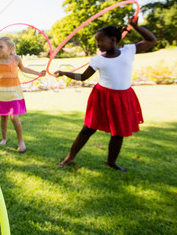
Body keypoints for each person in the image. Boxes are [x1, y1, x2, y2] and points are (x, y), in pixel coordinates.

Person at [55, 17, 156, 171]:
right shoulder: (97, 60)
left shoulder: (128, 51)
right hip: (102, 97)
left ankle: (111, 162)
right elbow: (83, 77)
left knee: (118, 132)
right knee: (88, 129)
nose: (97, 44)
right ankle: (70, 156)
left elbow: (151, 40)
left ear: (113, 39)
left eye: (100, 40)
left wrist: (135, 26)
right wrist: (64, 73)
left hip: (123, 97)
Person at [0, 36, 45, 153]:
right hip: (1, 93)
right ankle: (4, 138)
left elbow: (24, 69)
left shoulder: (16, 59)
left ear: (10, 48)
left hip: (14, 92)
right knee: (3, 117)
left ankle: (21, 141)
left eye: (1, 47)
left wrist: (38, 73)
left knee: (14, 117)